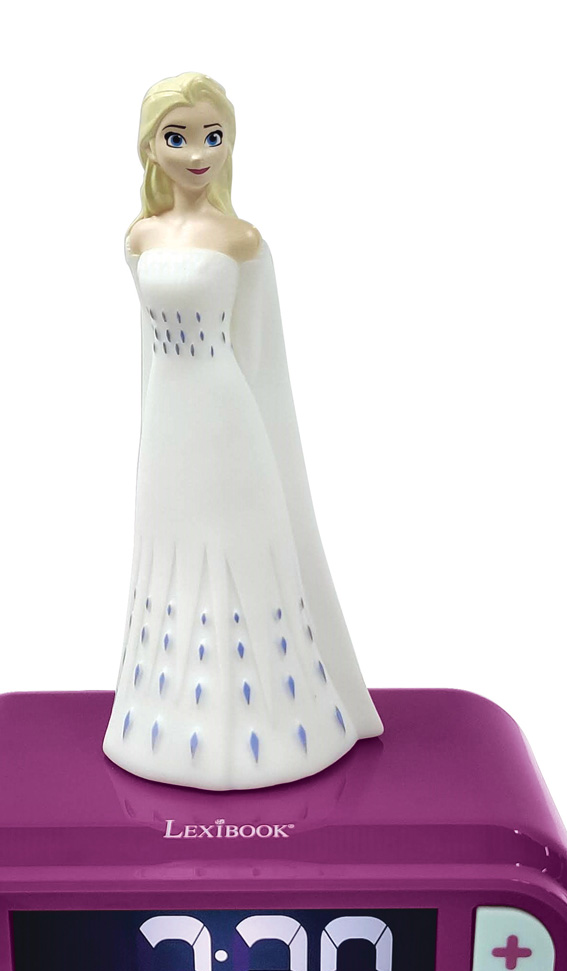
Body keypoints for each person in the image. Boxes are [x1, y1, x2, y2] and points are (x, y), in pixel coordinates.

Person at [103, 72, 383, 790]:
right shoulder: (138, 238)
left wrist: (262, 441)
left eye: (213, 136)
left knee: (236, 551)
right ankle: (164, 720)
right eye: (178, 137)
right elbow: (145, 346)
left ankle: (275, 722)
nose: (198, 152)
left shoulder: (243, 240)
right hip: (168, 423)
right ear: (150, 147)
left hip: (230, 421)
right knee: (171, 554)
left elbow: (259, 354)